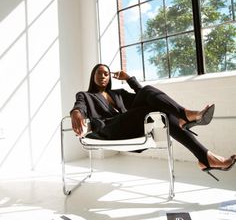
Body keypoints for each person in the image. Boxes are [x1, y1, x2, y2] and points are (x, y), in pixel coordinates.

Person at [70, 63, 236, 180]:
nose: (103, 76)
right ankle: (185, 119)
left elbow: (145, 96)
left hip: (128, 125)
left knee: (152, 98)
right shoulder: (85, 95)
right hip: (110, 129)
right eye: (99, 73)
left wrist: (129, 79)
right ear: (93, 76)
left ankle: (203, 155)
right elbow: (79, 106)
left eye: (106, 73)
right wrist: (76, 113)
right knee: (158, 109)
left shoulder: (118, 93)